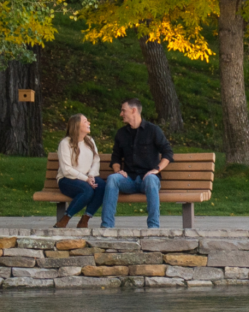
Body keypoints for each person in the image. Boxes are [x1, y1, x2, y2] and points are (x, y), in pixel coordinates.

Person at [108, 98, 173, 228]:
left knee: (151, 179)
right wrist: (118, 171)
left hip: (147, 180)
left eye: (123, 110)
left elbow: (168, 153)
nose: (121, 114)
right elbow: (115, 158)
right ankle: (107, 226)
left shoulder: (153, 130)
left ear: (133, 110)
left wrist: (157, 169)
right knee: (112, 179)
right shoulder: (121, 133)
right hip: (129, 180)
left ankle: (153, 228)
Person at [54, 114, 106, 229]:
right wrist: (86, 179)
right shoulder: (65, 143)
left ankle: (85, 219)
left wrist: (91, 175)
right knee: (87, 190)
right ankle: (65, 218)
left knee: (102, 186)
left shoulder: (90, 141)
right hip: (67, 179)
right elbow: (66, 170)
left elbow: (96, 161)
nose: (89, 123)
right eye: (85, 121)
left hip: (86, 178)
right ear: (77, 125)